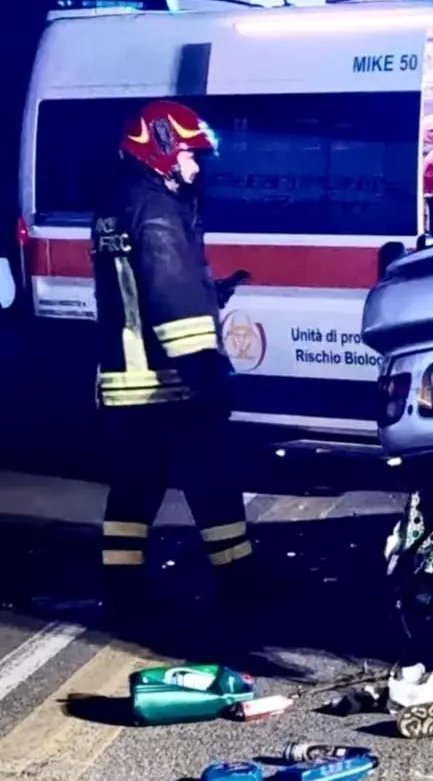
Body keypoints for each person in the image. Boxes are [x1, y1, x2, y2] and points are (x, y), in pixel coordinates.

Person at [92, 100, 256, 627]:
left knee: (133, 492)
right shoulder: (158, 210)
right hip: (168, 382)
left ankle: (122, 594)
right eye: (188, 154)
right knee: (214, 481)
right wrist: (205, 370)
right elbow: (170, 293)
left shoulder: (119, 203)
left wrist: (211, 291)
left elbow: (141, 290)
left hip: (127, 381)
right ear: (160, 149)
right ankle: (241, 585)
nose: (195, 166)